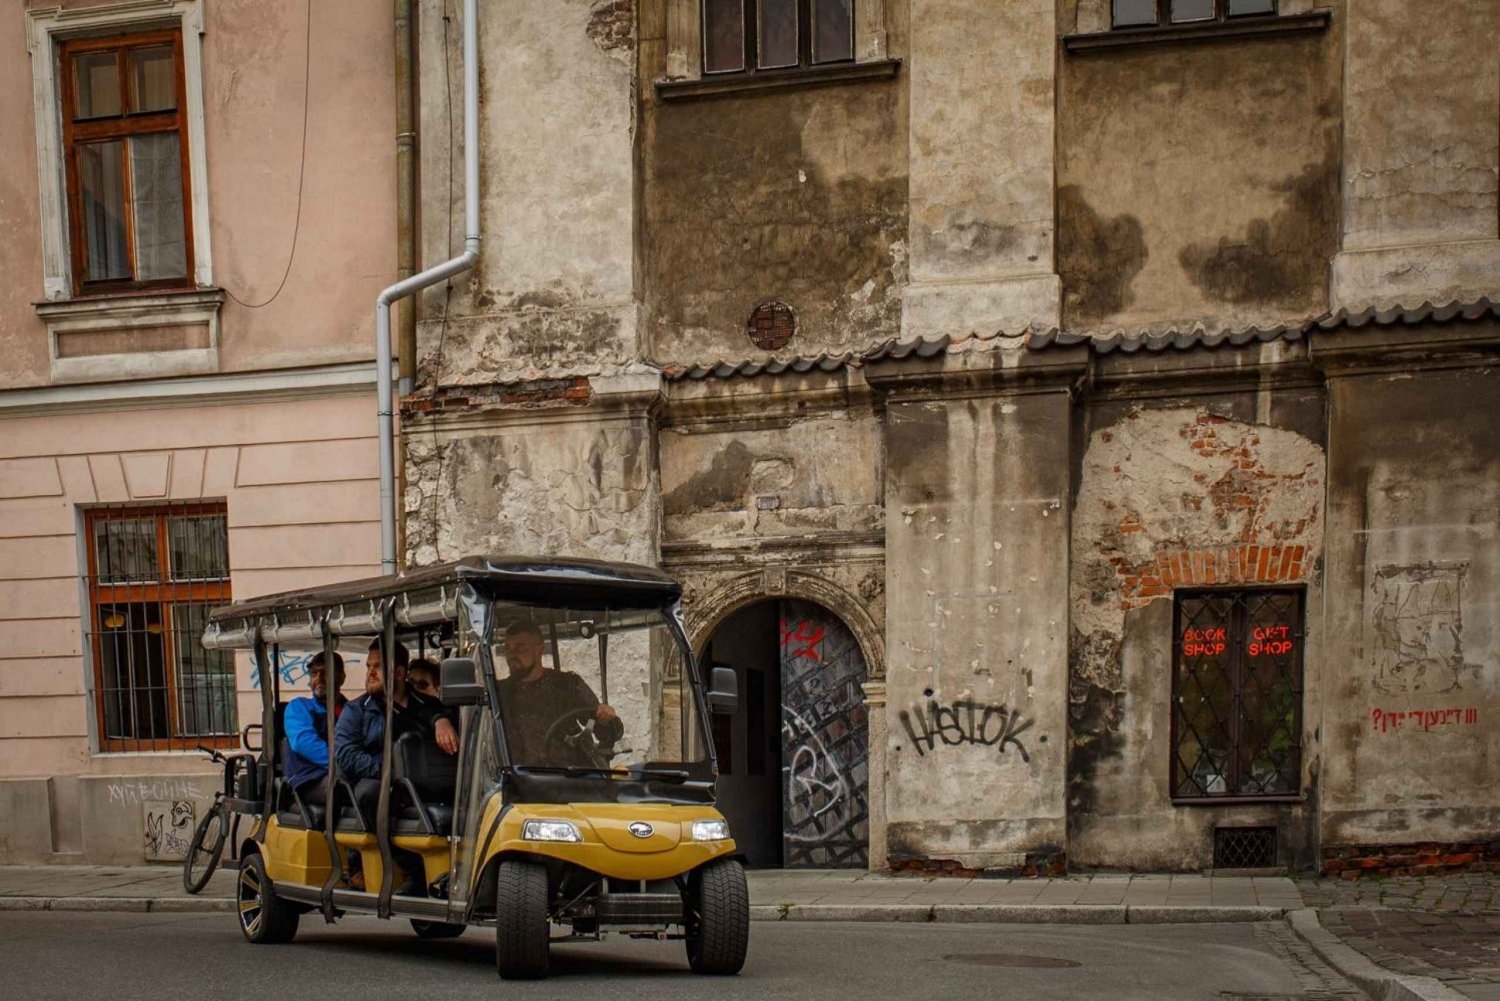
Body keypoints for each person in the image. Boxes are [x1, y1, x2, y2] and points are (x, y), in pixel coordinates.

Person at [334, 638, 456, 895]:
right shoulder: (355, 711)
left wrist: (441, 720)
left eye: (378, 666)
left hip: (423, 784)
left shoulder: (427, 705)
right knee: (370, 792)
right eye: (369, 666)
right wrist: (389, 770)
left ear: (399, 673)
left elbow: (438, 713)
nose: (370, 672)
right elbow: (346, 755)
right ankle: (411, 870)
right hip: (381, 783)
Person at [497, 621, 622, 765]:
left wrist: (605, 720)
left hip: (566, 780)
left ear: (539, 650)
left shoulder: (566, 685)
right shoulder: (500, 693)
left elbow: (606, 729)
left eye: (520, 647)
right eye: (508, 648)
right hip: (519, 780)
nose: (512, 654)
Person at [283, 651, 347, 809]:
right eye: (314, 674)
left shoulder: (352, 710)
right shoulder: (299, 707)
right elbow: (303, 742)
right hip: (308, 779)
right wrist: (347, 765)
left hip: (340, 773)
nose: (319, 679)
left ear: (341, 678)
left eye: (326, 673)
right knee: (353, 790)